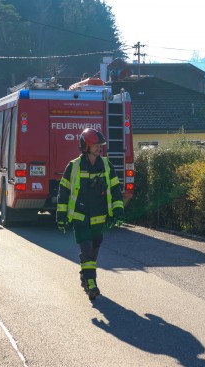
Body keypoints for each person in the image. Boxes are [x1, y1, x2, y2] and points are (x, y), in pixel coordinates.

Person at [56, 128, 125, 300]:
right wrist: (61, 217)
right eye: (95, 145)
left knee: (93, 251)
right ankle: (92, 283)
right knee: (86, 249)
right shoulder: (73, 167)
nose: (99, 148)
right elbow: (63, 193)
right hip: (80, 217)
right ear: (86, 146)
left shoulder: (106, 166)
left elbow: (115, 190)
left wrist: (117, 211)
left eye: (100, 145)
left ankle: (85, 277)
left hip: (99, 217)